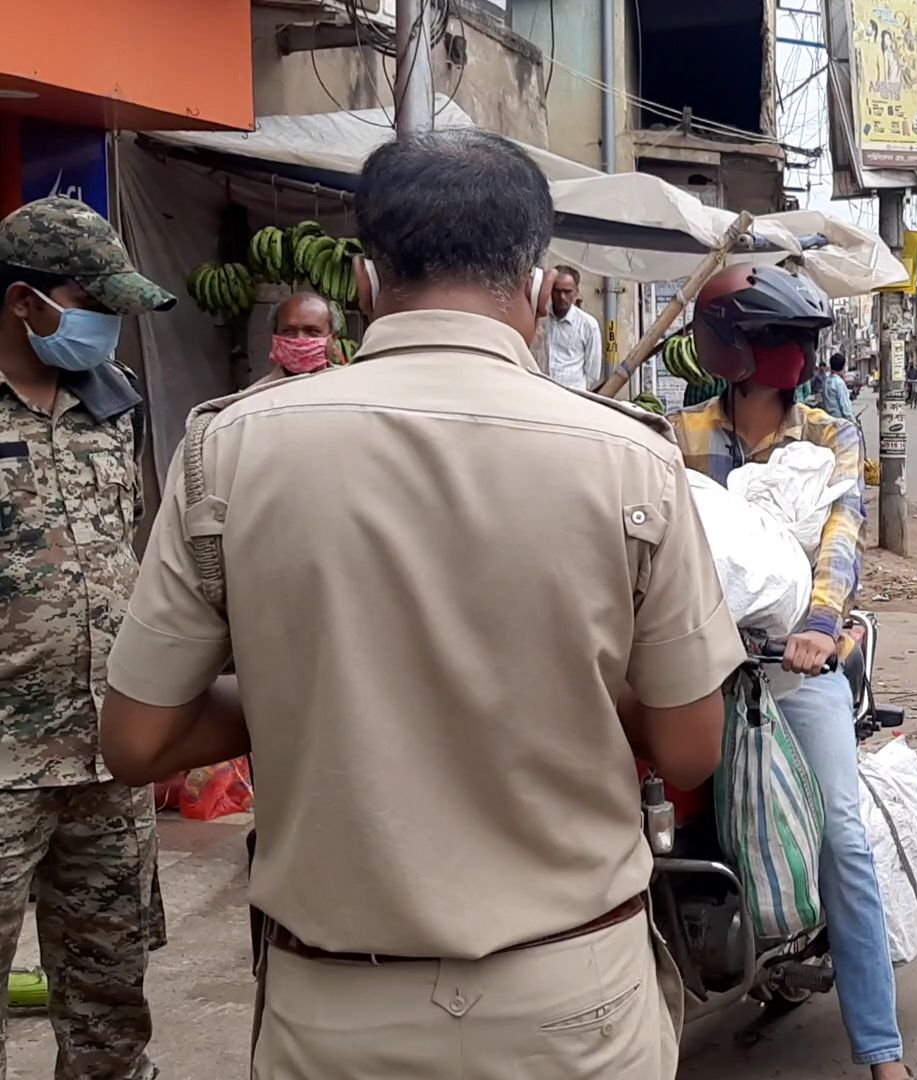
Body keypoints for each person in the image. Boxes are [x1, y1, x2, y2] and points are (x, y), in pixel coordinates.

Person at [98, 129, 739, 1080]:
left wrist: (305, 695)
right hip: (572, 1006)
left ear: (361, 282)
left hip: (333, 1014)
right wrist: (554, 683)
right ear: (536, 282)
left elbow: (137, 742)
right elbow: (691, 746)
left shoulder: (224, 451)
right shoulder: (630, 459)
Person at [669, 264, 910, 1080]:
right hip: (695, 662)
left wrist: (816, 625)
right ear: (731, 348)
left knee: (844, 837)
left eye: (803, 340)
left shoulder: (830, 436)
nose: (796, 357)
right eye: (779, 340)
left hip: (794, 666)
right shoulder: (676, 435)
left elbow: (842, 539)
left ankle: (880, 1051)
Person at [0, 196, 173, 1080]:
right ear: (25, 303)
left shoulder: (117, 403)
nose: (107, 328)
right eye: (93, 303)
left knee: (111, 1011)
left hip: (109, 762)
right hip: (2, 767)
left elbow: (134, 550)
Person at [540, 263, 603, 391]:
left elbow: (592, 372)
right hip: (543, 390)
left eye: (567, 291)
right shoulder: (541, 318)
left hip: (572, 395)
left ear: (576, 291)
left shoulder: (589, 325)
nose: (562, 297)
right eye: (557, 291)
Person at [257, 291, 339, 385]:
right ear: (275, 335)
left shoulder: (350, 388)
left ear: (333, 339)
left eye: (312, 331)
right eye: (288, 331)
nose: (300, 339)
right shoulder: (256, 395)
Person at [821, 351, 856, 421]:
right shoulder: (839, 382)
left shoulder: (826, 381)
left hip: (828, 421)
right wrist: (854, 422)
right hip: (840, 423)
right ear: (843, 367)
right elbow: (846, 409)